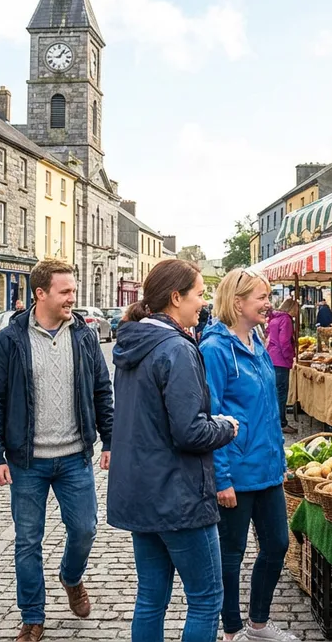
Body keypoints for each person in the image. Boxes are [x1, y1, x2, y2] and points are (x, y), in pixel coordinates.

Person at [0, 259, 115, 642]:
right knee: (27, 541)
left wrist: (111, 440)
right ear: (41, 294)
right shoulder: (10, 340)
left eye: (73, 290)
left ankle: (71, 578)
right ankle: (33, 617)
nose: (73, 298)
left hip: (75, 457)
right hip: (26, 462)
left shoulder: (85, 336)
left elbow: (102, 391)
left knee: (85, 529)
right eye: (65, 291)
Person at [108, 259, 239, 642]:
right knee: (206, 598)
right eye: (199, 294)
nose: (204, 303)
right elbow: (190, 431)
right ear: (175, 297)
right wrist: (227, 427)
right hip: (177, 496)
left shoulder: (133, 342)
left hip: (141, 492)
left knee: (151, 598)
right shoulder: (176, 349)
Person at [201, 269, 297, 642]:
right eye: (261, 296)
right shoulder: (215, 349)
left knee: (277, 545)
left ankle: (258, 624)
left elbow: (269, 411)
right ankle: (231, 630)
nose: (268, 303)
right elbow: (212, 416)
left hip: (267, 469)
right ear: (238, 302)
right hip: (236, 473)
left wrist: (280, 459)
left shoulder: (257, 341)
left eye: (269, 296)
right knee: (231, 555)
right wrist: (221, 477)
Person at [266, 298, 299, 436]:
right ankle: (282, 423)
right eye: (297, 308)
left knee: (274, 391)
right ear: (291, 308)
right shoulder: (286, 319)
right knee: (281, 392)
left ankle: (274, 421)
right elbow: (284, 341)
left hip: (271, 358)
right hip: (280, 360)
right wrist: (289, 358)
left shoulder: (274, 318)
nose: (297, 311)